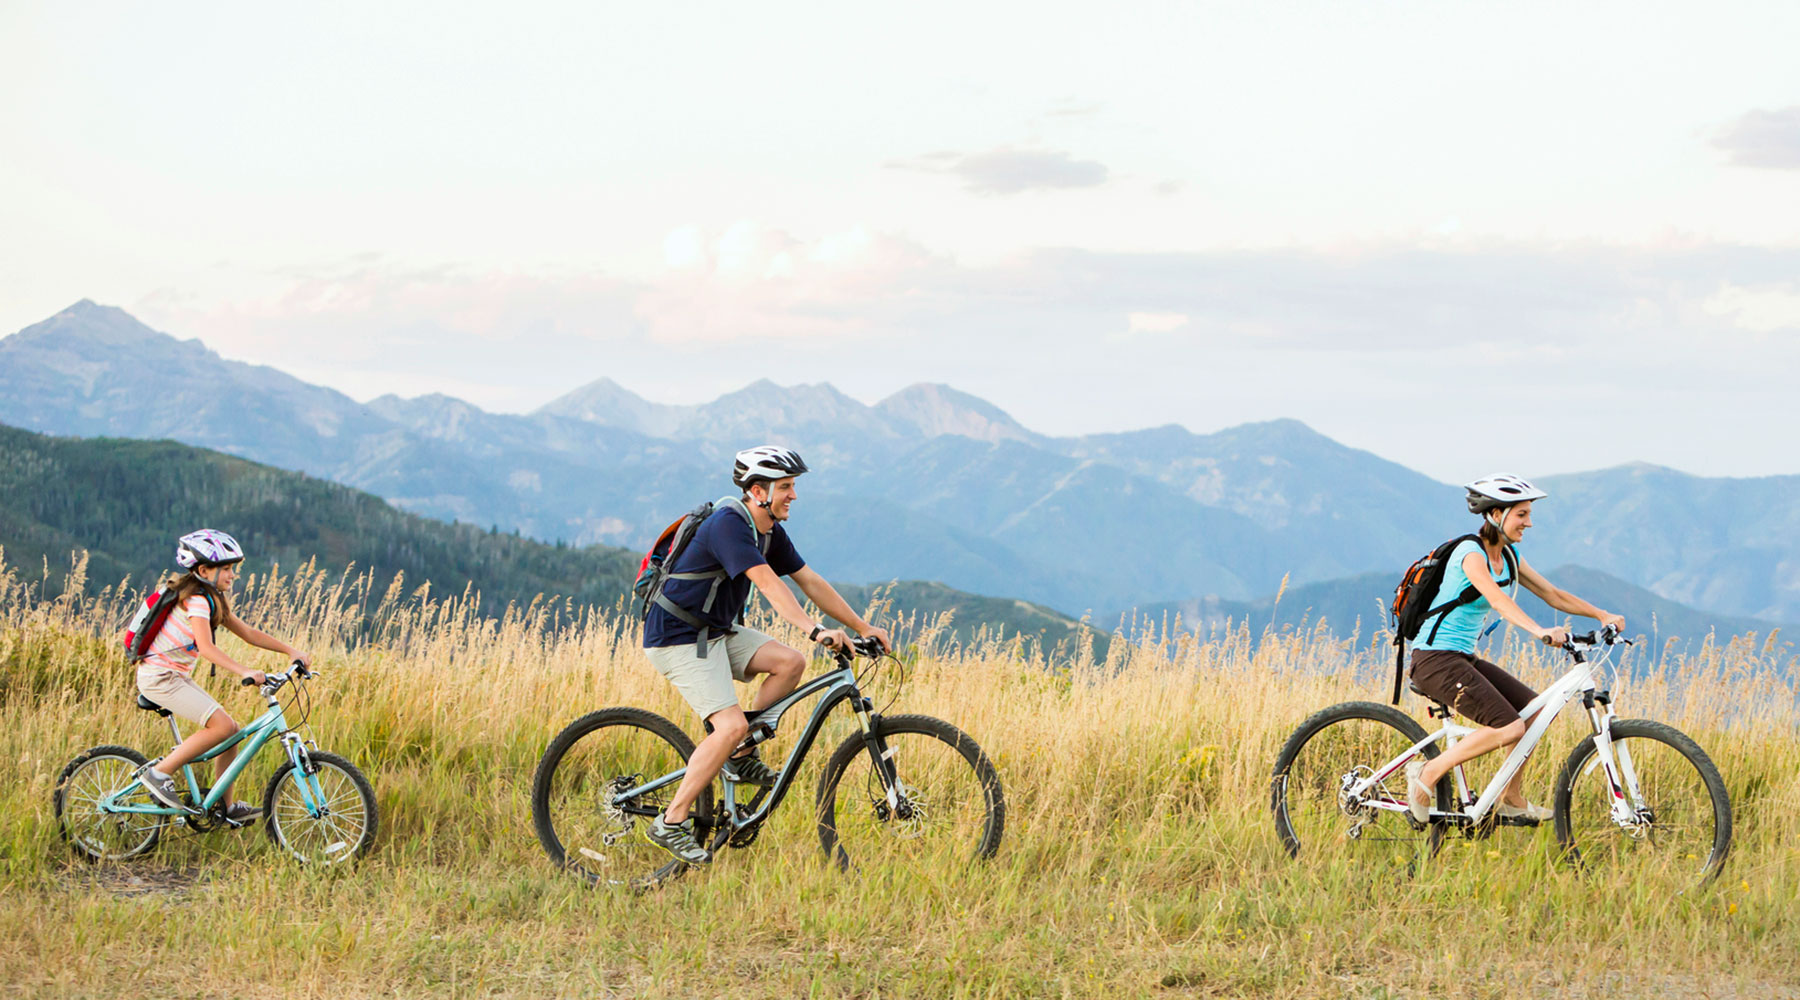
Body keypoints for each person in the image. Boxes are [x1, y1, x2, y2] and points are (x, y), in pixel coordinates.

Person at [641, 446, 891, 865]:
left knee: (790, 663)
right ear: (758, 491)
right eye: (786, 487)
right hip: (679, 637)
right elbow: (770, 586)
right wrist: (814, 630)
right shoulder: (728, 525)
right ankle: (671, 820)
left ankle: (739, 757)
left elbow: (808, 580)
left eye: (793, 486)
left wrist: (862, 626)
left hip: (716, 631)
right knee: (729, 726)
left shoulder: (768, 528)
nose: (793, 495)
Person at [1406, 474, 1626, 823]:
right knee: (1509, 728)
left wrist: (1602, 614)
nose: (1529, 522)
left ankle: (1510, 797)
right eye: (1521, 514)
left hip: (1462, 658)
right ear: (1496, 514)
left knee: (1534, 712)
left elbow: (1553, 594)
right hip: (1434, 660)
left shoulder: (1508, 555)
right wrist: (1539, 630)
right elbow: (1496, 600)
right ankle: (1427, 773)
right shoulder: (1470, 553)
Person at [135, 529, 313, 821]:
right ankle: (159, 774)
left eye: (234, 569)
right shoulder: (195, 601)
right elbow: (206, 647)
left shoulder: (211, 599)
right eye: (227, 569)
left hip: (174, 676)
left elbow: (250, 634)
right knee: (221, 727)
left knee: (230, 731)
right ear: (204, 570)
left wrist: (291, 650)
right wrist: (245, 671)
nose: (233, 575)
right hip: (159, 678)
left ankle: (223, 808)